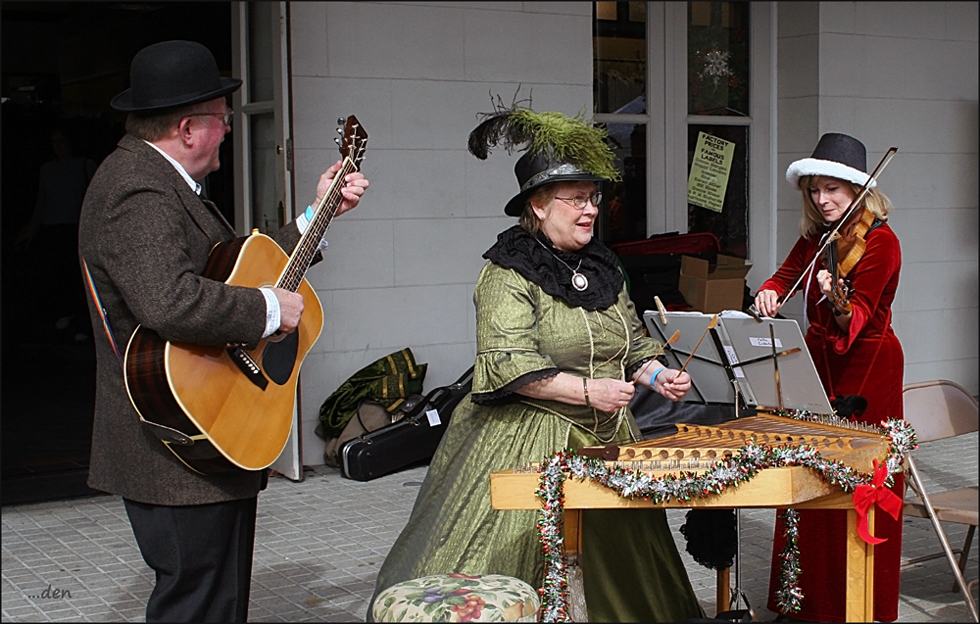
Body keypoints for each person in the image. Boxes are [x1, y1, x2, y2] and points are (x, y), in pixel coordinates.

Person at [369, 106, 703, 622]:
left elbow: (632, 342)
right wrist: (589, 391)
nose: (590, 209)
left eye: (594, 197)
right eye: (576, 199)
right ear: (539, 206)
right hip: (527, 434)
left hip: (609, 438)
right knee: (520, 558)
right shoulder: (508, 273)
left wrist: (659, 375)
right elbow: (508, 363)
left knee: (629, 567)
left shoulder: (603, 265)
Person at [77, 40, 368, 623]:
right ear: (188, 128)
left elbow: (233, 269)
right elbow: (170, 300)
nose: (230, 127)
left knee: (218, 598)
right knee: (197, 603)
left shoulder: (164, 180)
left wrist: (319, 213)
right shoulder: (137, 189)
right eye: (221, 117)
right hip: (172, 441)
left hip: (204, 433)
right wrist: (268, 311)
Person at [753, 132, 904, 622]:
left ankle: (858, 604)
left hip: (867, 370)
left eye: (832, 191)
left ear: (858, 190)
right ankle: (807, 601)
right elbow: (784, 274)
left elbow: (853, 322)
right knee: (808, 475)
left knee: (858, 484)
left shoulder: (881, 242)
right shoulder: (818, 237)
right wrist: (770, 293)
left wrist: (837, 295)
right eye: (815, 191)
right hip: (819, 364)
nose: (822, 200)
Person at [17, 127, 97, 341]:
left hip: (76, 227)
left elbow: (93, 201)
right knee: (57, 275)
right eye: (55, 143)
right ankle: (66, 314)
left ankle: (83, 321)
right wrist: (32, 230)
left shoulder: (83, 165)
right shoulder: (47, 169)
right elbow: (42, 201)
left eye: (62, 142)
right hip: (52, 227)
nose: (59, 147)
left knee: (78, 276)